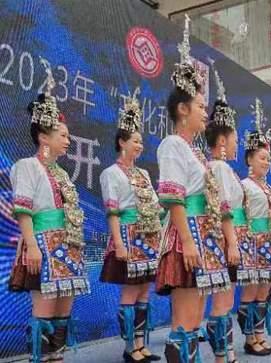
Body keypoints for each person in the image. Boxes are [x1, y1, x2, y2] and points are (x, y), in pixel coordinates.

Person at [155, 16, 230, 362]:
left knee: (195, 321)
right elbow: (173, 197)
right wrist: (186, 241)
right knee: (184, 323)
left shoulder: (194, 151)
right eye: (201, 107)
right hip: (190, 237)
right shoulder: (172, 145)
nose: (205, 114)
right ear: (183, 110)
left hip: (203, 236)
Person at [8, 70, 90, 363]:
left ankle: (57, 359)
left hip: (66, 248)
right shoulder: (27, 166)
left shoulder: (62, 173)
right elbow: (24, 210)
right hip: (42, 245)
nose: (68, 141)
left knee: (62, 315)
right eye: (63, 135)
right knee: (43, 312)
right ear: (44, 136)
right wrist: (31, 245)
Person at [99, 90, 162, 363]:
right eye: (135, 141)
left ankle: (141, 343)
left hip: (148, 237)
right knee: (130, 290)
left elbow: (157, 207)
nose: (140, 145)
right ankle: (129, 348)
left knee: (145, 290)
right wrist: (120, 243)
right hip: (127, 235)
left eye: (141, 141)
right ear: (122, 142)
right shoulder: (110, 174)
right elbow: (112, 212)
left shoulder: (144, 174)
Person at [237, 98, 271, 355]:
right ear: (249, 159)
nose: (266, 162)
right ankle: (248, 340)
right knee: (250, 292)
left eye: (268, 158)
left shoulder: (269, 187)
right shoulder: (244, 186)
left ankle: (259, 335)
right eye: (262, 158)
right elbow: (238, 218)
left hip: (270, 243)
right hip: (252, 243)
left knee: (264, 293)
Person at [202, 65, 243, 363]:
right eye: (234, 139)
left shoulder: (217, 167)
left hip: (220, 239)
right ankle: (222, 355)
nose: (237, 144)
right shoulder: (219, 168)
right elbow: (225, 210)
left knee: (224, 298)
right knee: (222, 298)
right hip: (220, 239)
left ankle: (226, 352)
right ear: (222, 142)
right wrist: (232, 242)